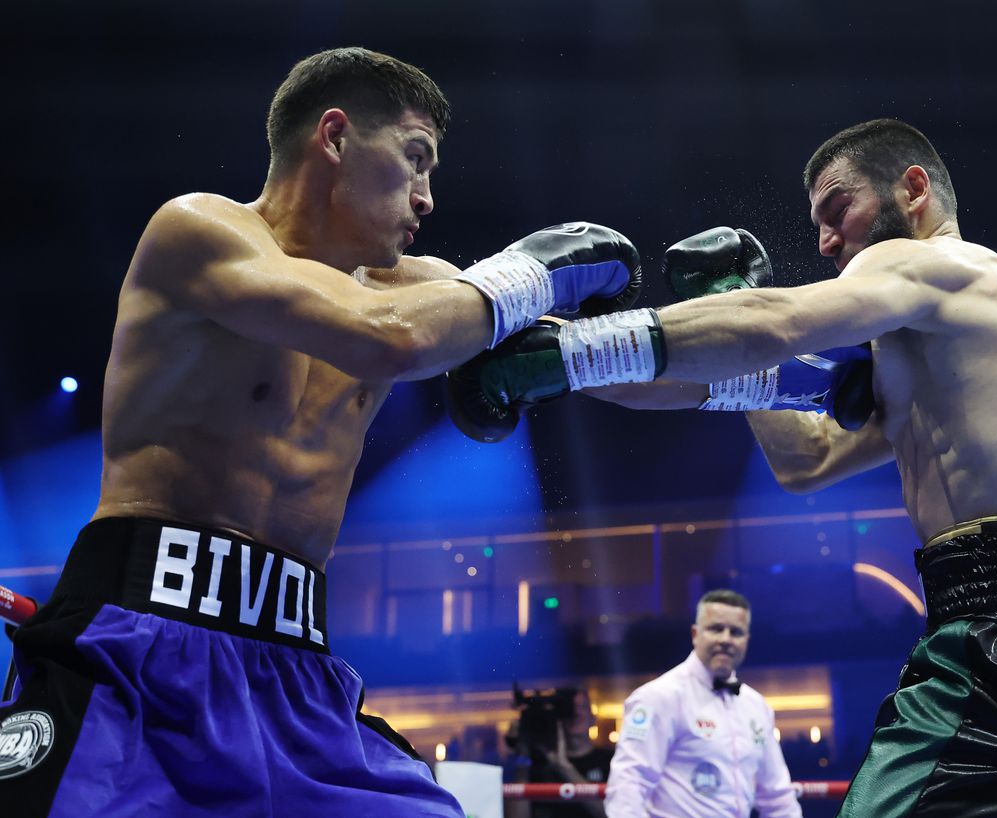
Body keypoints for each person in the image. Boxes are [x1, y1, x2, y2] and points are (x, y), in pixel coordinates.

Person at [0, 47, 642, 817]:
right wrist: (533, 270)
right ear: (335, 137)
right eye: (415, 159)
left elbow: (617, 364)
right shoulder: (197, 230)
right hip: (138, 648)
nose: (428, 197)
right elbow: (386, 338)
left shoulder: (426, 292)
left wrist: (776, 364)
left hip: (297, 676)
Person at [452, 118, 997, 816]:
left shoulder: (948, 263)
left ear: (913, 191)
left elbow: (777, 323)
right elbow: (805, 459)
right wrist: (562, 360)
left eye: (838, 208)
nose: (825, 242)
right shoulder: (942, 358)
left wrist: (570, 351)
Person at [605, 590, 801, 818]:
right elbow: (629, 782)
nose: (726, 639)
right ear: (695, 634)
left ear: (746, 641)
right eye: (716, 628)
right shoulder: (659, 697)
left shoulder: (756, 706)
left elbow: (776, 795)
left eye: (735, 632)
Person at [507, 688, 612, 818]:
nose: (576, 713)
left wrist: (564, 768)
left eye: (582, 707)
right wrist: (523, 756)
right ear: (557, 716)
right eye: (569, 708)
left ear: (593, 718)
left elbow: (613, 813)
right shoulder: (537, 766)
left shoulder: (611, 761)